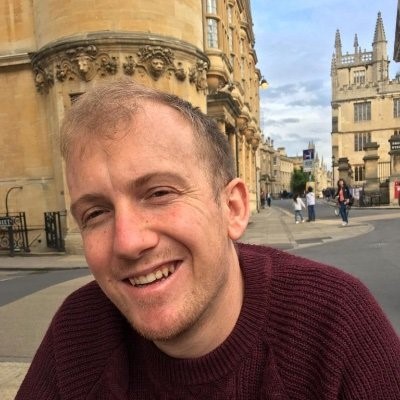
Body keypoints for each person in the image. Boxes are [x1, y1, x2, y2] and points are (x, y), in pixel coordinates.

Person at [17, 81, 400, 399]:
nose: (128, 242)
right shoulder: (78, 334)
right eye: (96, 213)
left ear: (232, 209)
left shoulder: (334, 323)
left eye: (159, 193)